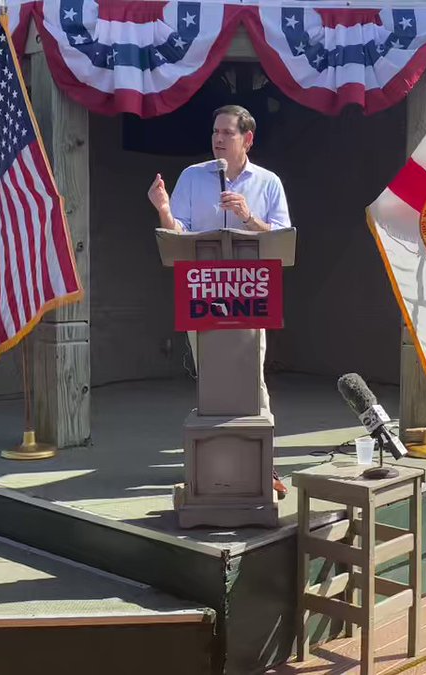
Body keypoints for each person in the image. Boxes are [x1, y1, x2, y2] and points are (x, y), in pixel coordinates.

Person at [146, 104, 291, 497]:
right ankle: (208, 467)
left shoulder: (268, 182)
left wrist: (248, 217)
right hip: (203, 292)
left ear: (248, 138)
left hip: (249, 294)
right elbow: (178, 233)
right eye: (215, 132)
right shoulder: (193, 177)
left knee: (252, 378)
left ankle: (265, 464)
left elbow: (280, 237)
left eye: (227, 132)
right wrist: (162, 209)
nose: (218, 139)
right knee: (210, 376)